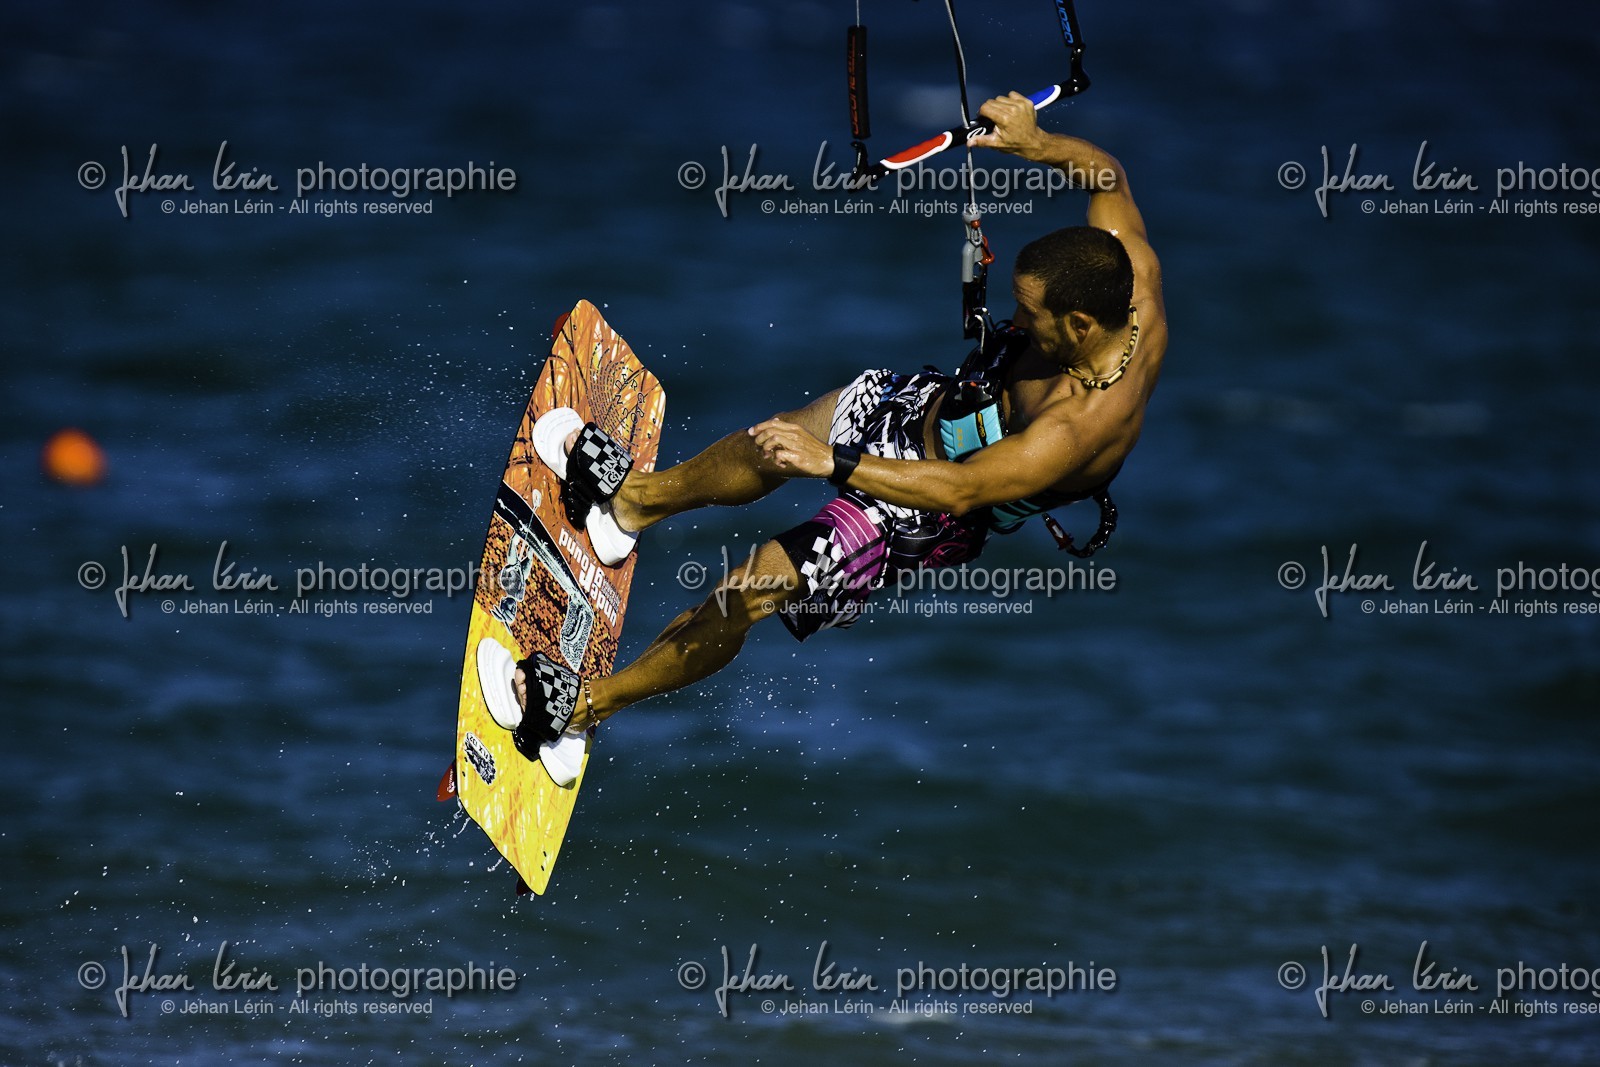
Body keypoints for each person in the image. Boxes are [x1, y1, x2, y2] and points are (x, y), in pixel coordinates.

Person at [514, 91, 1167, 739]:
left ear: (1081, 325)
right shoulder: (1126, 266)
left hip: (922, 511)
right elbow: (1109, 173)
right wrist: (1037, 143)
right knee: (772, 441)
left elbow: (965, 489)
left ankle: (586, 706)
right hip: (928, 406)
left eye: (1032, 316)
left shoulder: (1078, 426)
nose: (1015, 323)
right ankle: (635, 503)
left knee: (747, 592)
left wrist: (832, 464)